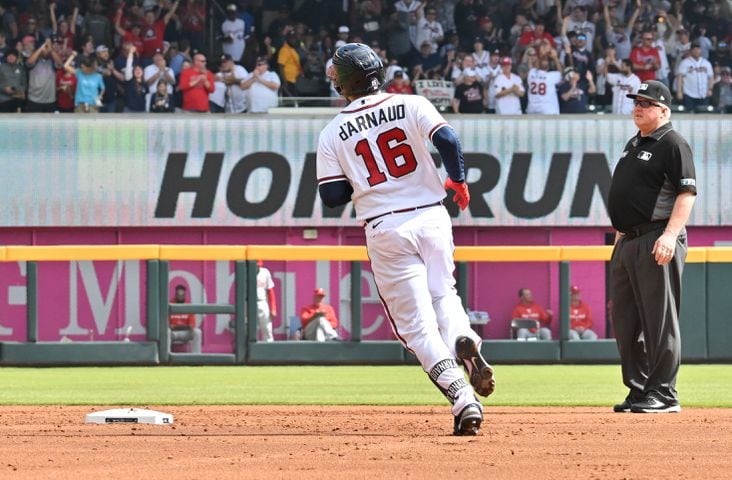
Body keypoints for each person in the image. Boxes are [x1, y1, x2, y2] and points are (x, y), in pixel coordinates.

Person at [317, 43, 495, 436]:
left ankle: (464, 400)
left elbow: (331, 197)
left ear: (345, 83)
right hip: (432, 215)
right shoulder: (410, 103)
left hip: (386, 225)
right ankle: (463, 337)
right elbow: (448, 141)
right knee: (443, 294)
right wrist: (459, 181)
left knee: (416, 326)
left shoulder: (332, 132)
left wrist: (359, 179)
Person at [608, 80, 697, 413]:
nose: (638, 107)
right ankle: (640, 389)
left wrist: (671, 235)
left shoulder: (673, 143)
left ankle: (663, 393)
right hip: (628, 241)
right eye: (636, 102)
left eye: (646, 103)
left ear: (664, 110)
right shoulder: (635, 142)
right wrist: (619, 239)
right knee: (627, 320)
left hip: (656, 237)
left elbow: (686, 193)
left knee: (659, 320)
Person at [675, 41, 713, 112]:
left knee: (704, 117)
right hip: (689, 95)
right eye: (694, 49)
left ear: (700, 50)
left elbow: (710, 77)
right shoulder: (685, 62)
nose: (696, 51)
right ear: (691, 50)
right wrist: (679, 91)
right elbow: (679, 77)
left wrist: (710, 89)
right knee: (688, 116)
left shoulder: (706, 63)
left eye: (698, 49)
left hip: (703, 95)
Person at [168, 284, 202, 353]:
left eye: (182, 295)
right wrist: (184, 326)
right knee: (166, 332)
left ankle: (196, 357)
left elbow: (191, 326)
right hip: (173, 333)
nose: (180, 297)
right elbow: (168, 326)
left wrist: (176, 326)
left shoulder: (188, 305)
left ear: (184, 295)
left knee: (197, 332)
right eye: (178, 295)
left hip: (185, 333)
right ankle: (166, 357)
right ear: (175, 295)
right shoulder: (170, 304)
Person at [255, 260, 277, 342]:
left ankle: (269, 353)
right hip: (249, 303)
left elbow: (270, 291)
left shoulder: (265, 272)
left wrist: (273, 308)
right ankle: (251, 353)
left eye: (258, 265)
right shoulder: (245, 272)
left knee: (267, 330)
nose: (257, 267)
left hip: (262, 302)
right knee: (250, 332)